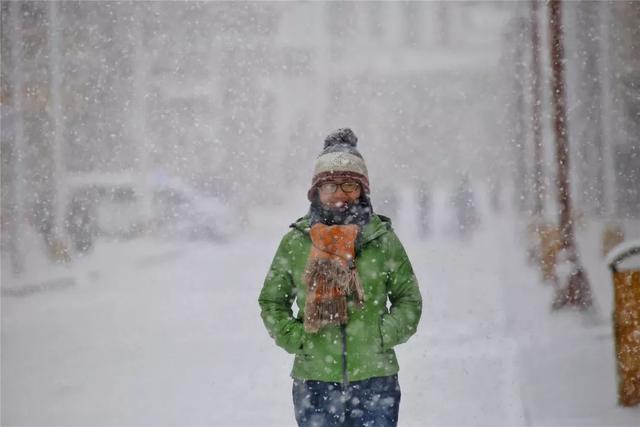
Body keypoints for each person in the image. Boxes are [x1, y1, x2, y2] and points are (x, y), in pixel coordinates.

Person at [259, 128, 422, 427]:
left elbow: (408, 299)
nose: (339, 194)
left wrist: (382, 335)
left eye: (349, 184)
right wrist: (299, 339)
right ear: (316, 191)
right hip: (315, 383)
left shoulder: (382, 240)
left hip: (376, 381)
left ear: (362, 190)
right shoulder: (297, 242)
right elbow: (272, 301)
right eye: (330, 185)